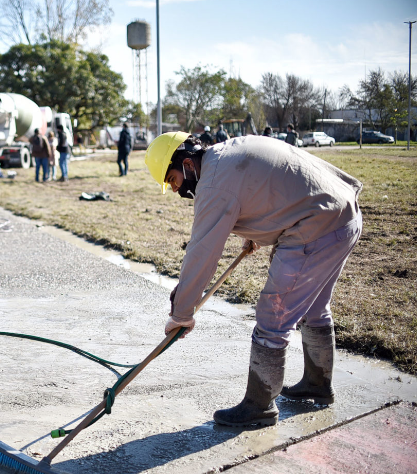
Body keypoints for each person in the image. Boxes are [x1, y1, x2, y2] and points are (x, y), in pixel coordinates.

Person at [144, 132, 362, 428]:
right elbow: (265, 183)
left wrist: (181, 314)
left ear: (187, 164)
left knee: (274, 315)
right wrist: (252, 234)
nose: (174, 190)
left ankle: (259, 406)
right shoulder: (225, 154)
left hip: (317, 225)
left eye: (172, 180)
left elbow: (202, 253)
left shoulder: (213, 184)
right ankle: (317, 384)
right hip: (342, 214)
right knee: (314, 308)